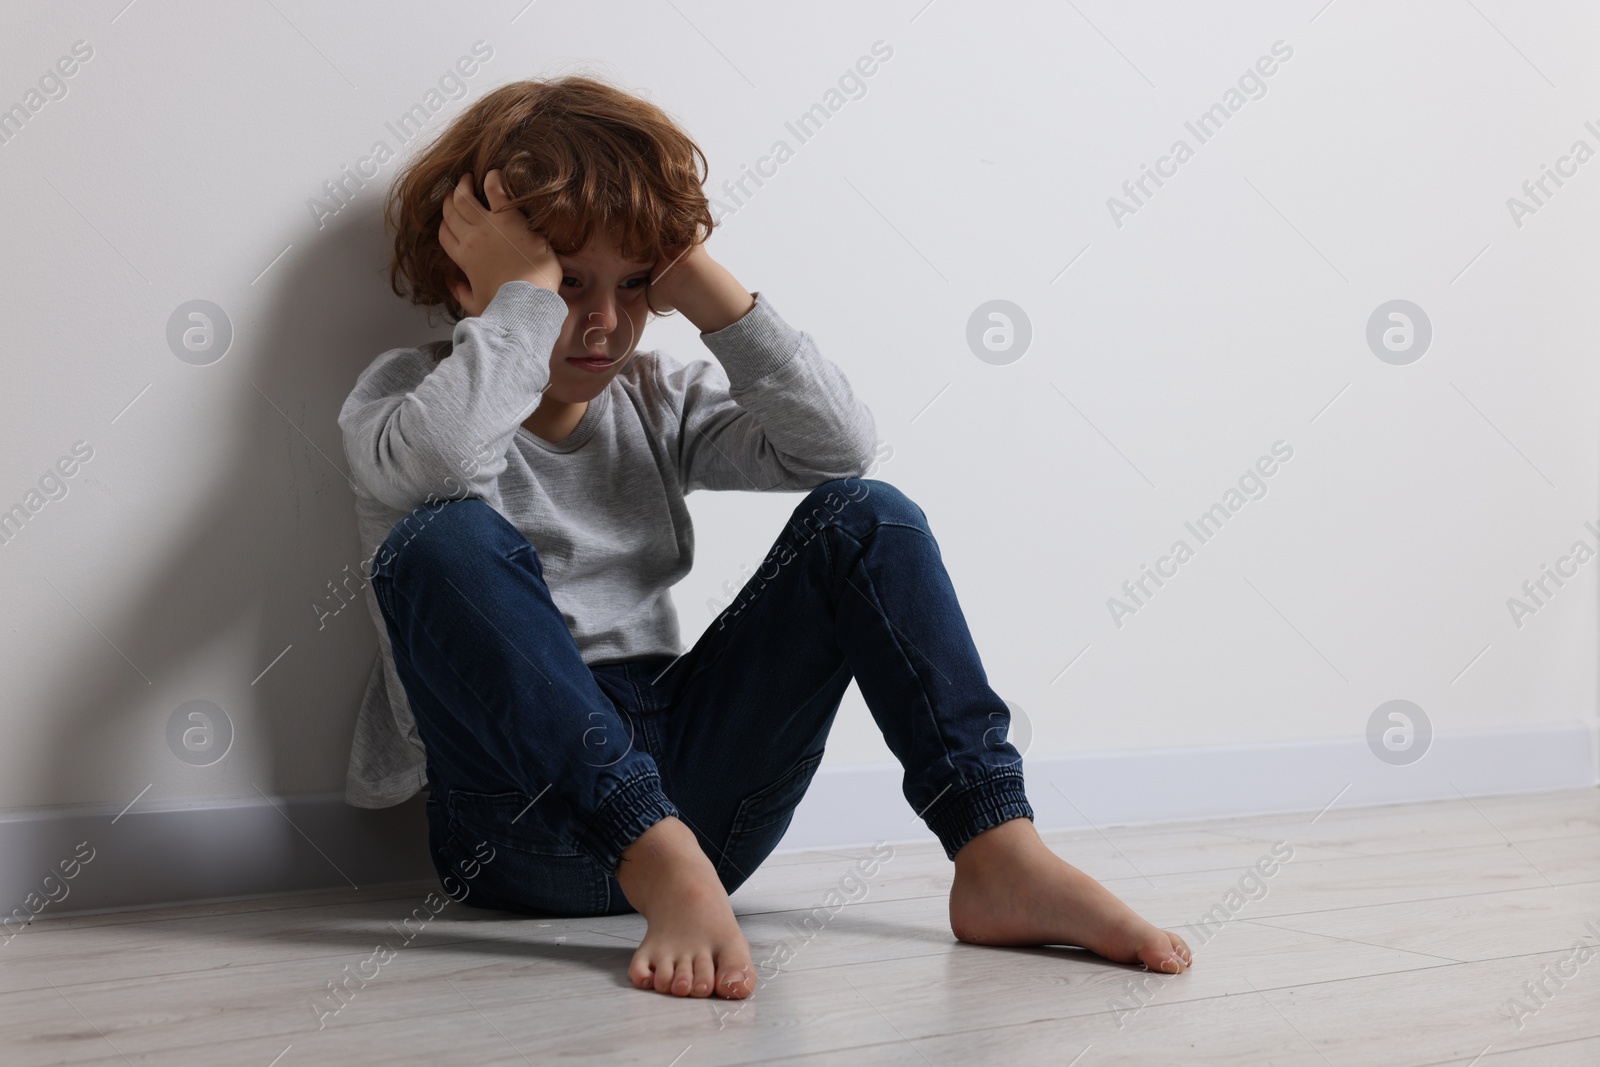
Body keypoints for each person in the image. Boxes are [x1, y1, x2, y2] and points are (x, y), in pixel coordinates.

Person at [338, 74, 1192, 1001]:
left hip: (702, 802)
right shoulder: (405, 402)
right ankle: (657, 860)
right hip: (517, 821)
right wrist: (521, 305)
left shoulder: (652, 398)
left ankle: (998, 851)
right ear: (468, 277)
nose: (602, 323)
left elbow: (836, 446)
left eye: (634, 285)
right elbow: (445, 466)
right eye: (563, 285)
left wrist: (705, 283)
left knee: (866, 515)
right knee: (440, 541)